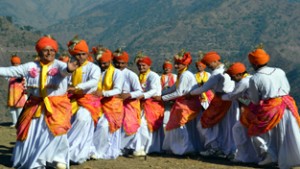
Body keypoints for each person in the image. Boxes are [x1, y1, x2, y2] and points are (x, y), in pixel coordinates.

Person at [0, 35, 78, 169]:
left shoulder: (60, 65)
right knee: (31, 133)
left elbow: (65, 72)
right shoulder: (31, 66)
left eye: (52, 50)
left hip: (57, 106)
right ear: (39, 52)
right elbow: (11, 71)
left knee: (58, 131)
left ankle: (58, 158)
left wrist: (69, 69)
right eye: (46, 50)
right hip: (35, 105)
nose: (49, 53)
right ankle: (35, 162)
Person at [246, 47, 300, 168]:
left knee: (256, 130)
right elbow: (287, 87)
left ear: (254, 63)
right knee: (288, 132)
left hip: (270, 107)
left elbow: (255, 100)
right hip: (287, 104)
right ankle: (287, 158)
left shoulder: (255, 78)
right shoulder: (279, 71)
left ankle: (270, 155)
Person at [189, 51, 237, 159]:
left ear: (215, 61)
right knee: (226, 127)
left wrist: (190, 93)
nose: (208, 67)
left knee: (204, 124)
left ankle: (216, 148)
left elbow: (204, 88)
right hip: (230, 101)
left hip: (222, 101)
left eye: (209, 64)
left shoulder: (216, 73)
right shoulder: (227, 69)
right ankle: (225, 150)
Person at [66, 36, 101, 164]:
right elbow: (66, 80)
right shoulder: (70, 67)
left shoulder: (93, 68)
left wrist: (77, 87)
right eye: (77, 54)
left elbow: (93, 82)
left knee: (82, 118)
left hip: (89, 101)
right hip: (72, 99)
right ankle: (67, 151)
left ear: (87, 54)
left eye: (83, 54)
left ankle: (75, 153)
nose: (80, 57)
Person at [161, 50, 201, 155]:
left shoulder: (185, 75)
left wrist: (162, 98)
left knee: (180, 125)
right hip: (184, 103)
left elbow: (179, 92)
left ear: (185, 64)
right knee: (178, 125)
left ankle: (184, 149)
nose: (176, 65)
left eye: (179, 64)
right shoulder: (181, 74)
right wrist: (159, 93)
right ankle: (179, 148)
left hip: (187, 104)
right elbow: (173, 88)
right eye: (176, 63)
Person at [221, 62, 259, 163]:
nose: (232, 79)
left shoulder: (243, 82)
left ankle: (243, 156)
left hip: (254, 110)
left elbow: (233, 96)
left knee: (238, 129)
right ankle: (249, 156)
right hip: (256, 108)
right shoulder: (251, 77)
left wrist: (221, 96)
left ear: (238, 74)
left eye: (232, 77)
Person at [92, 46, 124, 159]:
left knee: (103, 126)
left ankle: (99, 151)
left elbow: (118, 90)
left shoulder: (117, 73)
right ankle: (91, 149)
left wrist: (103, 93)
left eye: (105, 63)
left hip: (113, 106)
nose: (102, 65)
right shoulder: (97, 71)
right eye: (100, 63)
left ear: (110, 61)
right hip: (97, 104)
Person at [112, 48, 143, 155]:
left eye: (122, 63)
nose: (120, 65)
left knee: (131, 125)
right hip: (114, 104)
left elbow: (139, 91)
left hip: (130, 104)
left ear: (126, 63)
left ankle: (135, 148)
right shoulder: (110, 73)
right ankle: (119, 147)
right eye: (117, 63)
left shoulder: (131, 75)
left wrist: (128, 95)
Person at [134, 52, 164, 156]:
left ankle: (152, 148)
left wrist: (143, 95)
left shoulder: (153, 76)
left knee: (149, 125)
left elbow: (154, 90)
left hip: (153, 104)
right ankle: (142, 147)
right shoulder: (140, 76)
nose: (141, 67)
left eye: (143, 65)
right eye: (139, 65)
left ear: (149, 66)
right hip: (143, 104)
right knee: (142, 125)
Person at [6, 55, 27, 128]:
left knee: (19, 108)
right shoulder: (11, 70)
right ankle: (15, 122)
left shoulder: (21, 71)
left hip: (19, 92)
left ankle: (18, 122)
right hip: (13, 92)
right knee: (14, 108)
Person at [160, 59, 177, 129]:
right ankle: (165, 124)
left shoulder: (175, 76)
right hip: (163, 96)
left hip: (174, 96)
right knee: (166, 110)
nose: (167, 68)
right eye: (165, 67)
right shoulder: (160, 77)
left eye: (168, 67)